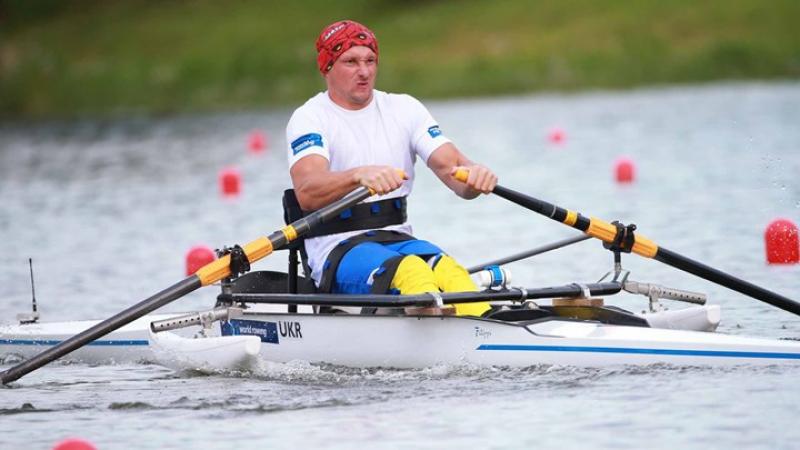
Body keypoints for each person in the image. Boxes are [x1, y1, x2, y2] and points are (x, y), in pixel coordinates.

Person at [285, 20, 497, 316]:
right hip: (338, 250)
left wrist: (475, 176)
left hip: (398, 240)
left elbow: (456, 174)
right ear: (327, 67)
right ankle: (437, 346)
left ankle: (484, 338)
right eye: (351, 62)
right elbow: (308, 192)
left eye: (370, 61)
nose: (364, 71)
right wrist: (357, 175)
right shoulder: (309, 118)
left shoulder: (404, 109)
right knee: (413, 275)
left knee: (454, 276)